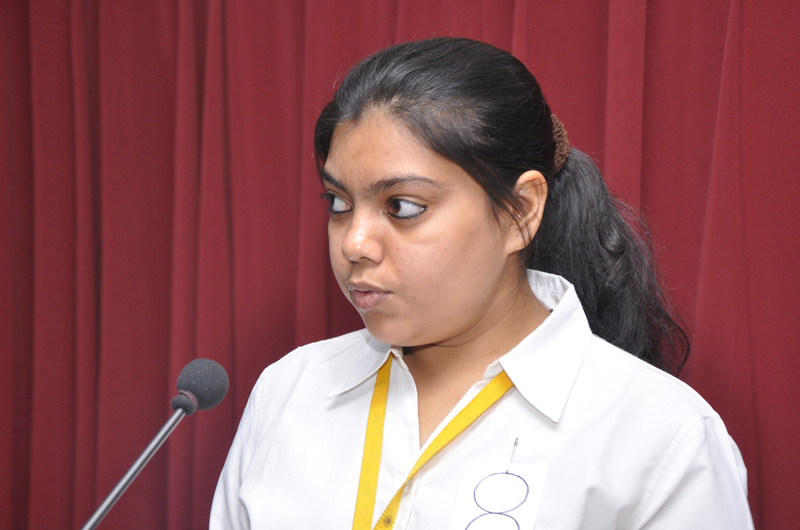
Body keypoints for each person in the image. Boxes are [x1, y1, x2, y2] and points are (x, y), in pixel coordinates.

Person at [210, 37, 754, 529]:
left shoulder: (662, 438)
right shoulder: (289, 392)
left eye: (402, 207)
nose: (354, 243)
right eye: (338, 203)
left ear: (521, 211)